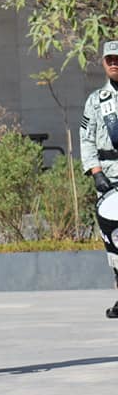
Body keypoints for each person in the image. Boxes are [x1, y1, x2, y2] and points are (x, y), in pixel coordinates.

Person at [79, 40, 118, 318]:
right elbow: (86, 139)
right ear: (103, 63)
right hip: (108, 177)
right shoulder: (95, 100)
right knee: (114, 242)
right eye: (110, 59)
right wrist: (96, 172)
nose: (114, 63)